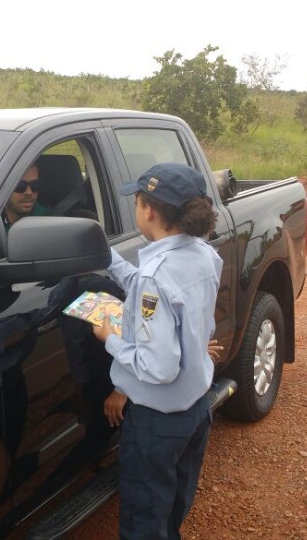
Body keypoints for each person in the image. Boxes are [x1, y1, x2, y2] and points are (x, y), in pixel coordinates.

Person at [91, 162, 223, 540]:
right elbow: (170, 300)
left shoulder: (156, 276)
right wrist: (110, 260)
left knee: (144, 519)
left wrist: (110, 339)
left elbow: (159, 366)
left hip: (157, 423)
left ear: (148, 209)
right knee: (173, 504)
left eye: (136, 200)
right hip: (195, 409)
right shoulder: (202, 254)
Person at [1, 162, 49, 232]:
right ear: (5, 188)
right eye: (20, 186)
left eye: (35, 185)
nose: (29, 192)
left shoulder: (49, 221)